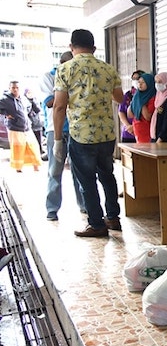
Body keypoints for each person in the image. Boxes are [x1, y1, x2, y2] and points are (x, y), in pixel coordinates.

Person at [53, 29, 125, 238]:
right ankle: (113, 217)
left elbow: (58, 106)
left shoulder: (65, 69)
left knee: (87, 181)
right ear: (94, 48)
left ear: (71, 47)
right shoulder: (108, 69)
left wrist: (58, 140)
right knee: (107, 176)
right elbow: (119, 98)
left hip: (81, 135)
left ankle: (96, 224)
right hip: (106, 134)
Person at [41, 50, 86, 221]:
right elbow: (51, 103)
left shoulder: (77, 76)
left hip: (76, 129)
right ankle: (52, 209)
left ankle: (84, 205)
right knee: (55, 170)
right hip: (55, 130)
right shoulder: (48, 77)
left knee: (79, 171)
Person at [0, 80, 43, 173]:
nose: (15, 90)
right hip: (14, 127)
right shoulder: (4, 100)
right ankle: (18, 168)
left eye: (17, 88)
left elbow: (36, 109)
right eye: (13, 88)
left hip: (26, 127)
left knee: (33, 146)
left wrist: (32, 99)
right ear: (9, 88)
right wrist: (5, 114)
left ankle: (36, 166)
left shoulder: (24, 98)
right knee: (18, 148)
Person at [128, 73, 155, 143]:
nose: (140, 84)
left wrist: (140, 102)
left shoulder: (153, 98)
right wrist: (134, 100)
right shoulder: (137, 96)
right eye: (139, 82)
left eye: (143, 82)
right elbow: (130, 114)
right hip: (137, 131)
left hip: (147, 131)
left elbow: (147, 116)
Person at [118, 70, 143, 143]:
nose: (135, 81)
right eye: (133, 79)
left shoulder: (147, 96)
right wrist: (128, 126)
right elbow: (121, 111)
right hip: (128, 132)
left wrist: (135, 127)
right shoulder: (128, 95)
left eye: (137, 79)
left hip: (141, 132)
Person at [25, 89, 46, 159]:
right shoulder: (24, 101)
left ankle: (40, 153)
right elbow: (26, 112)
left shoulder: (35, 100)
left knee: (39, 140)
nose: (30, 94)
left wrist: (32, 100)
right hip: (29, 124)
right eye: (28, 93)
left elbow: (38, 109)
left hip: (37, 123)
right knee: (31, 142)